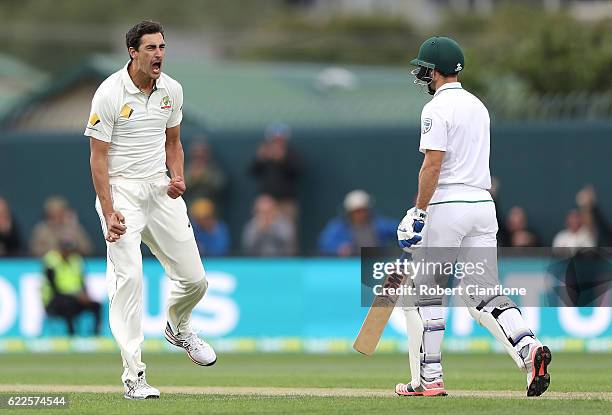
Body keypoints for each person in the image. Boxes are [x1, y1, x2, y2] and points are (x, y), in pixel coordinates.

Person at [395, 37, 551, 398]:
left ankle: (428, 379)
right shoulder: (478, 105)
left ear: (435, 71)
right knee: (483, 293)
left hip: (447, 204)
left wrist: (418, 212)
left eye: (425, 69)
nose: (422, 75)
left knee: (423, 294)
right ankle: (529, 350)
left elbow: (433, 164)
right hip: (483, 204)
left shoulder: (436, 108)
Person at [85, 20, 216, 400]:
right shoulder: (109, 93)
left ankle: (178, 327)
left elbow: (173, 142)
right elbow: (97, 158)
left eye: (162, 47)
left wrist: (178, 176)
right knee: (129, 281)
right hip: (121, 191)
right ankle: (134, 377)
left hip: (160, 189)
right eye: (151, 48)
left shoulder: (171, 90)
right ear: (133, 52)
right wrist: (109, 211)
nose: (159, 54)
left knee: (195, 280)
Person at [41, 239, 101, 336]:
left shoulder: (76, 260)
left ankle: (95, 334)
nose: (68, 253)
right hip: (54, 300)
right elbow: (54, 288)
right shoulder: (51, 262)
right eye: (65, 250)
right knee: (68, 304)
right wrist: (76, 295)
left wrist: (85, 296)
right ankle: (72, 334)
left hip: (74, 298)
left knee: (96, 305)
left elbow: (82, 282)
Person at [318, 190, 397, 256]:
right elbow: (324, 243)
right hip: (350, 265)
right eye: (357, 211)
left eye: (364, 210)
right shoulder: (338, 227)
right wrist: (339, 248)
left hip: (376, 264)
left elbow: (400, 231)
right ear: (349, 212)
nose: (361, 214)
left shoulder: (380, 224)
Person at [249, 123, 301, 221]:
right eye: (274, 140)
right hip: (266, 200)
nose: (277, 142)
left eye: (280, 139)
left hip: (286, 201)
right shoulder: (265, 154)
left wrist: (283, 160)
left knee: (287, 230)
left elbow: (297, 172)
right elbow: (252, 171)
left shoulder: (292, 154)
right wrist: (260, 159)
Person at [183, 138, 227, 207]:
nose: (199, 155)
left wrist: (204, 176)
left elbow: (220, 184)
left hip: (211, 206)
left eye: (202, 154)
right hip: (189, 205)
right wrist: (192, 177)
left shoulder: (214, 169)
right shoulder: (184, 169)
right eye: (196, 154)